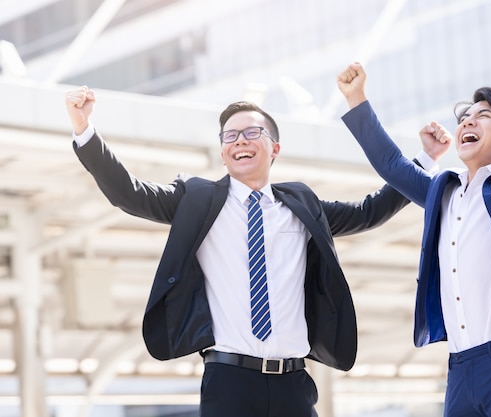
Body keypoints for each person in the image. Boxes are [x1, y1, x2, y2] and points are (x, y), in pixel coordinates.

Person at [64, 94, 414, 416]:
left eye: (251, 132)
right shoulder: (197, 200)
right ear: (222, 152)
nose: (240, 141)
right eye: (229, 136)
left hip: (293, 383)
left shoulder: (302, 204)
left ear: (274, 147)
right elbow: (130, 193)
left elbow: (368, 212)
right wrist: (85, 130)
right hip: (229, 381)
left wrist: (424, 161)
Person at [336, 18, 491, 417]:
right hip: (459, 370)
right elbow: (391, 164)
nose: (468, 122)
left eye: (483, 115)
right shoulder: (443, 191)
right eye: (465, 117)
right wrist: (356, 99)